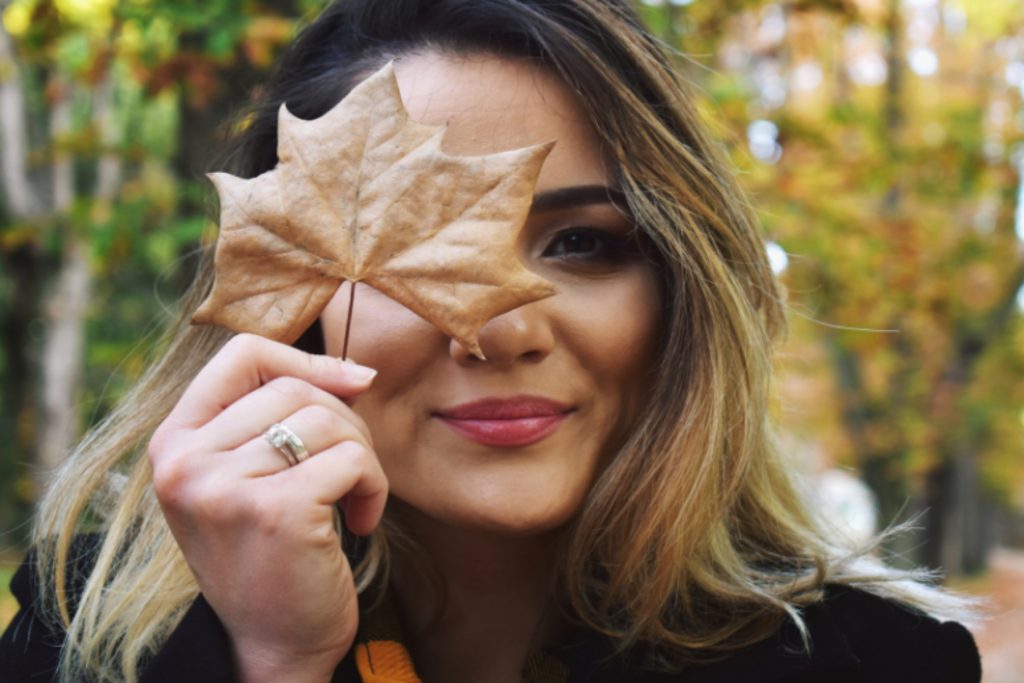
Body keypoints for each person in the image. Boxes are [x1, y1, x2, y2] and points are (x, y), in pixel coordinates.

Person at [1, 1, 981, 682]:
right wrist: (272, 660)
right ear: (282, 294)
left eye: (583, 243)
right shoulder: (83, 636)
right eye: (419, 248)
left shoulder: (887, 663)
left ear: (685, 290)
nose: (500, 325)